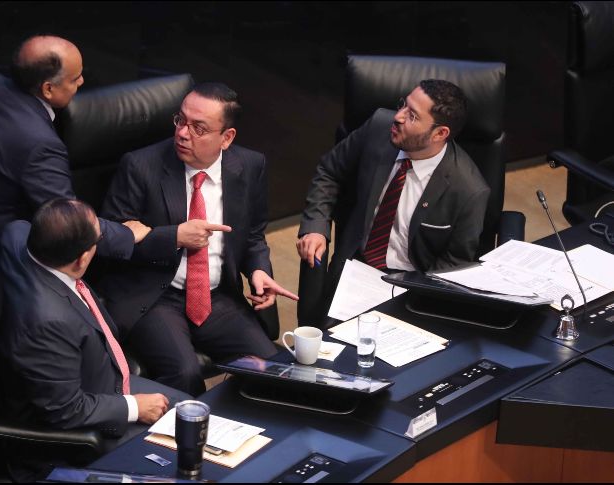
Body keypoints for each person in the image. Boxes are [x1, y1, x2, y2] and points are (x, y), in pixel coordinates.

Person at [0, 35, 149, 427]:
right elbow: (65, 217)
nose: (83, 83)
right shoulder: (40, 144)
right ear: (48, 88)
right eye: (75, 79)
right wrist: (127, 235)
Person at [99, 82, 298, 395]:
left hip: (217, 296)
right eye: (180, 120)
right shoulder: (140, 166)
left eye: (198, 128)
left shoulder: (250, 167)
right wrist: (174, 237)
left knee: (274, 369)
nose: (182, 133)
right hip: (156, 296)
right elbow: (110, 242)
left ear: (226, 138)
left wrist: (259, 270)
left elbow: (254, 235)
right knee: (184, 373)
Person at [0, 198, 190, 481]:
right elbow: (66, 411)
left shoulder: (16, 238)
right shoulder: (49, 321)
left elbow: (17, 227)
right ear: (82, 259)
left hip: (101, 377)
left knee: (192, 412)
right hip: (81, 432)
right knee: (180, 457)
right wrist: (135, 407)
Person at [297, 79, 489, 304]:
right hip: (353, 271)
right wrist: (316, 227)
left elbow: (453, 264)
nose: (398, 116)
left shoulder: (468, 190)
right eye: (403, 105)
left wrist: (415, 300)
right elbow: (330, 172)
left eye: (413, 116)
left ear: (440, 134)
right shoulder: (379, 128)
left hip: (412, 290)